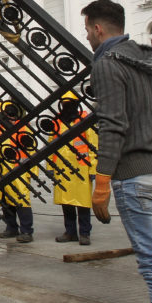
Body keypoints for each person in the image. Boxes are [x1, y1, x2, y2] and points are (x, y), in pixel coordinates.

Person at [83, 0, 152, 303]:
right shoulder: (147, 60)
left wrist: (102, 181)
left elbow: (113, 125)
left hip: (136, 178)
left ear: (97, 28)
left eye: (88, 30)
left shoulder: (107, 63)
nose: (88, 38)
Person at [50, 92, 98, 246]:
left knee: (83, 203)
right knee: (66, 202)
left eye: (70, 103)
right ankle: (70, 232)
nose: (67, 106)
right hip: (62, 167)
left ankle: (84, 233)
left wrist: (93, 170)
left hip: (81, 167)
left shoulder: (85, 120)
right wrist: (50, 167)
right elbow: (51, 146)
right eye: (65, 103)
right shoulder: (57, 122)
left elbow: (94, 146)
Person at [0, 101, 34, 243]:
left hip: (18, 170)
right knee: (5, 202)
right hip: (3, 170)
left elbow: (31, 151)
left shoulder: (23, 128)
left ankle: (26, 230)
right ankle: (11, 228)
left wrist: (31, 171)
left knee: (21, 200)